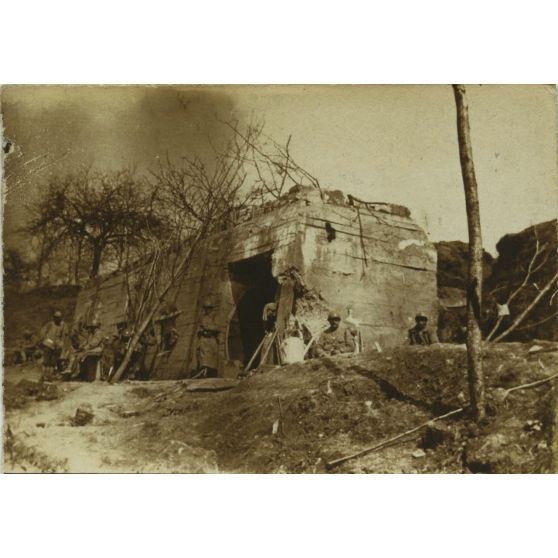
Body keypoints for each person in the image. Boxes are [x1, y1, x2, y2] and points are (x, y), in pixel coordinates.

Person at [40, 310, 70, 378]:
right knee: (46, 361)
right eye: (56, 317)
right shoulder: (50, 324)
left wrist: (61, 344)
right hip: (48, 344)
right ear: (53, 317)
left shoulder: (63, 325)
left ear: (61, 318)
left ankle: (49, 376)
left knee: (53, 362)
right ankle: (43, 376)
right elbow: (42, 333)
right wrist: (46, 340)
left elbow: (65, 336)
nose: (57, 319)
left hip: (57, 346)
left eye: (59, 317)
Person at [196, 297, 220, 378]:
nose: (207, 310)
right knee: (204, 358)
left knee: (212, 358)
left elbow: (217, 328)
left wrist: (208, 328)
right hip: (204, 340)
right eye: (206, 308)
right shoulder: (202, 318)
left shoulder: (215, 317)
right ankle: (204, 373)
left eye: (209, 308)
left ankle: (211, 373)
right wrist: (203, 331)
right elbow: (199, 329)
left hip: (212, 339)